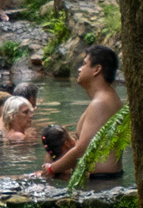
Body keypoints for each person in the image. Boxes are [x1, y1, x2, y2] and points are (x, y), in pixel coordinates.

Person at [42, 44, 124, 180]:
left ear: (97, 70)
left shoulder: (101, 103)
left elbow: (83, 150)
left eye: (84, 64)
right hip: (102, 179)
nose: (79, 69)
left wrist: (52, 169)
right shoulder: (106, 98)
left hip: (101, 182)